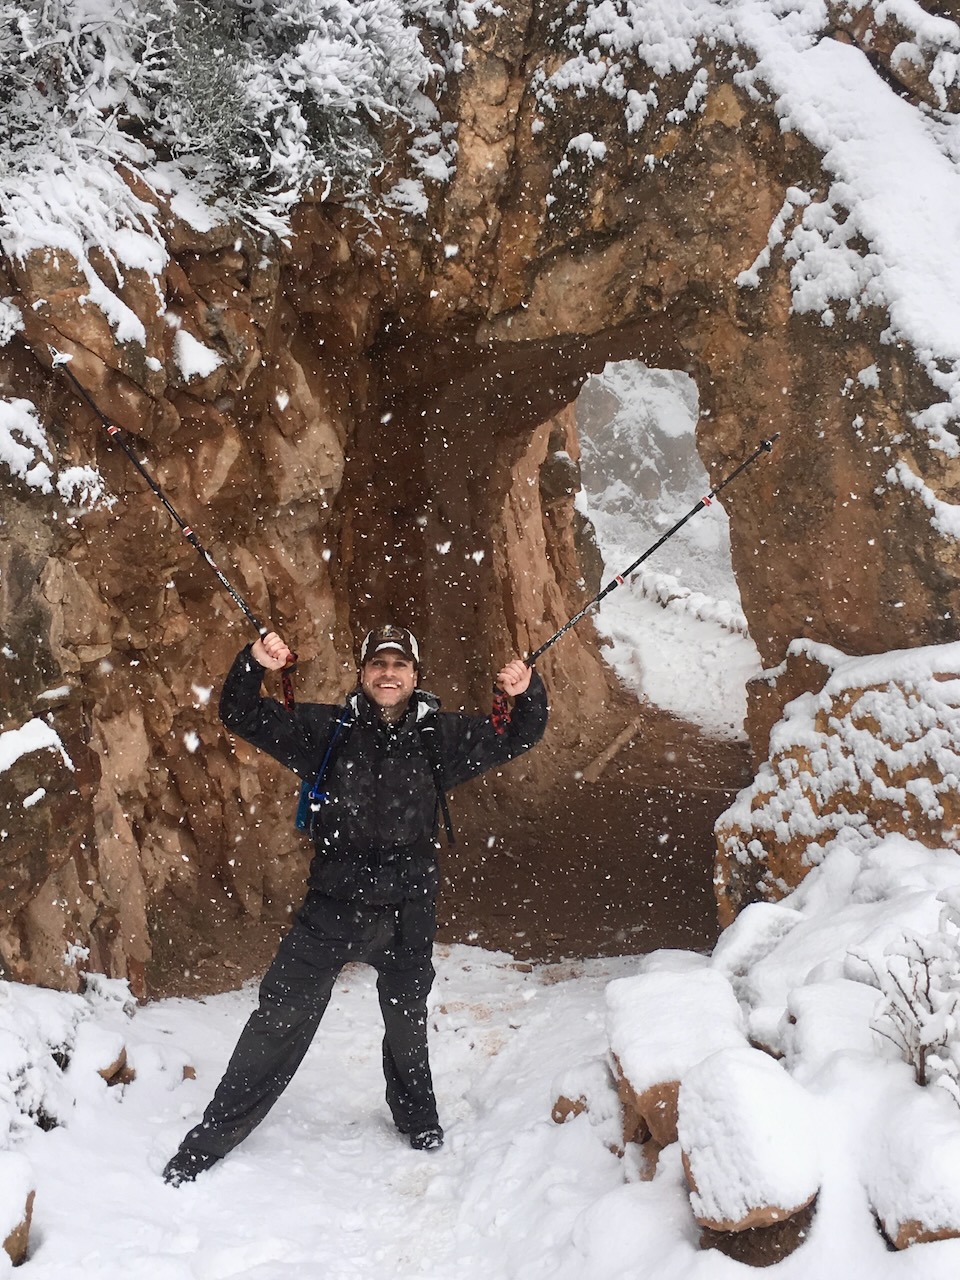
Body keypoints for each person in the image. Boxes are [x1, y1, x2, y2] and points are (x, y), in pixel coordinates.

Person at [163, 623, 548, 1185]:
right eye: (378, 665)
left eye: (399, 666)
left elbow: (517, 735)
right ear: (363, 673)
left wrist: (525, 693)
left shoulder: (440, 735)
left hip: (408, 909)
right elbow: (241, 713)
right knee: (279, 1017)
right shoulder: (326, 729)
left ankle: (418, 1118)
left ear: (416, 677)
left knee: (406, 1021)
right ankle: (213, 1135)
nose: (388, 674)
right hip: (332, 905)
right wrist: (254, 662)